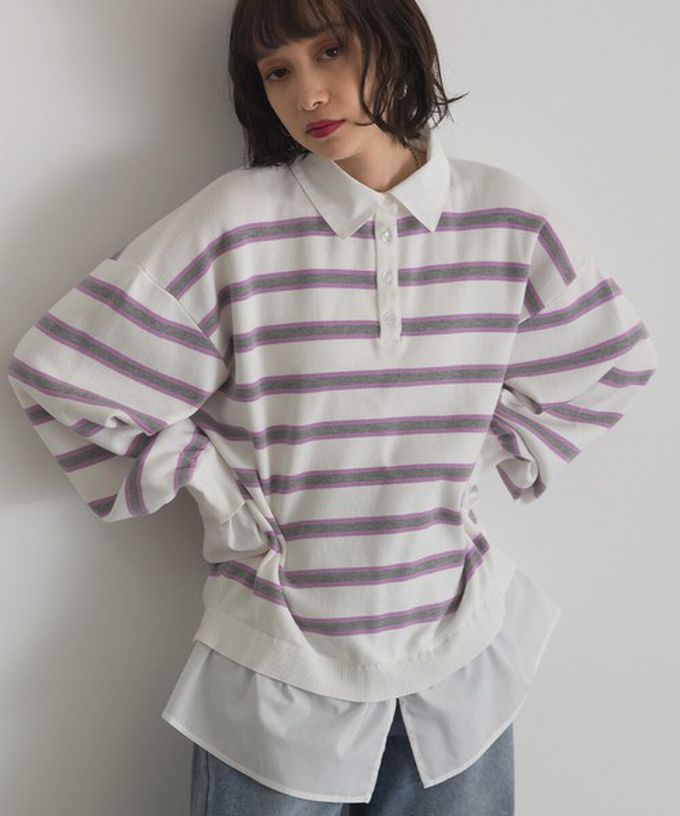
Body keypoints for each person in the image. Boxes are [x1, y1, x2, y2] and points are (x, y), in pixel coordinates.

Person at [6, 1, 658, 814]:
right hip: (275, 671)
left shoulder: (505, 219)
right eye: (277, 71)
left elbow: (611, 358)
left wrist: (484, 456)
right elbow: (64, 377)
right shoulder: (237, 223)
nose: (307, 93)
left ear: (397, 41)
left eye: (332, 51)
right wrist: (214, 488)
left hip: (458, 668)